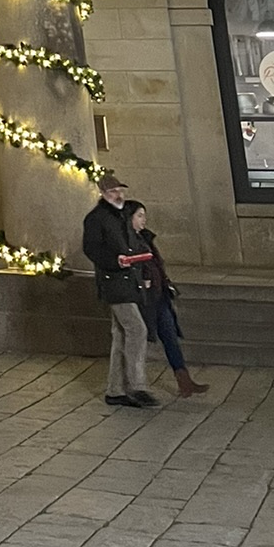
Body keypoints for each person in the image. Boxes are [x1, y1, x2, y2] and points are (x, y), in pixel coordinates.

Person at [81, 172, 158, 408]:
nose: (119, 195)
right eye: (114, 192)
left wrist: (141, 268)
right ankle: (137, 385)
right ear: (103, 194)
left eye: (121, 191)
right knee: (136, 328)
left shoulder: (122, 216)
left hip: (129, 280)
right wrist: (116, 261)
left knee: (121, 334)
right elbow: (92, 249)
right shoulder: (96, 218)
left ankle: (115, 390)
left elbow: (133, 242)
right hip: (113, 281)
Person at [125, 201, 209, 398]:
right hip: (145, 298)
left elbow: (156, 264)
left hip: (159, 293)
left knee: (170, 334)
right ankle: (133, 385)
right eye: (139, 215)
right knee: (140, 340)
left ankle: (184, 380)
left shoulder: (145, 238)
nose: (143, 219)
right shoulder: (128, 242)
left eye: (144, 215)